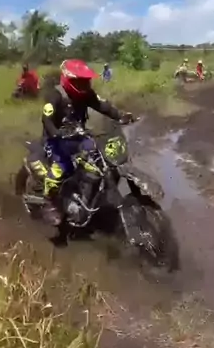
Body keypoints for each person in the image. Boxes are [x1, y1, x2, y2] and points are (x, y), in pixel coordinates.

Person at [28, 59, 134, 225]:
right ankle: (50, 202)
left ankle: (89, 195)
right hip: (56, 140)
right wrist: (56, 133)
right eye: (79, 81)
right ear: (68, 80)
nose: (84, 85)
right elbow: (46, 119)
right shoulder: (56, 95)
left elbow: (102, 106)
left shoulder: (87, 94)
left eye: (86, 81)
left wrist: (120, 116)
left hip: (78, 135)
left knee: (99, 160)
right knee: (62, 169)